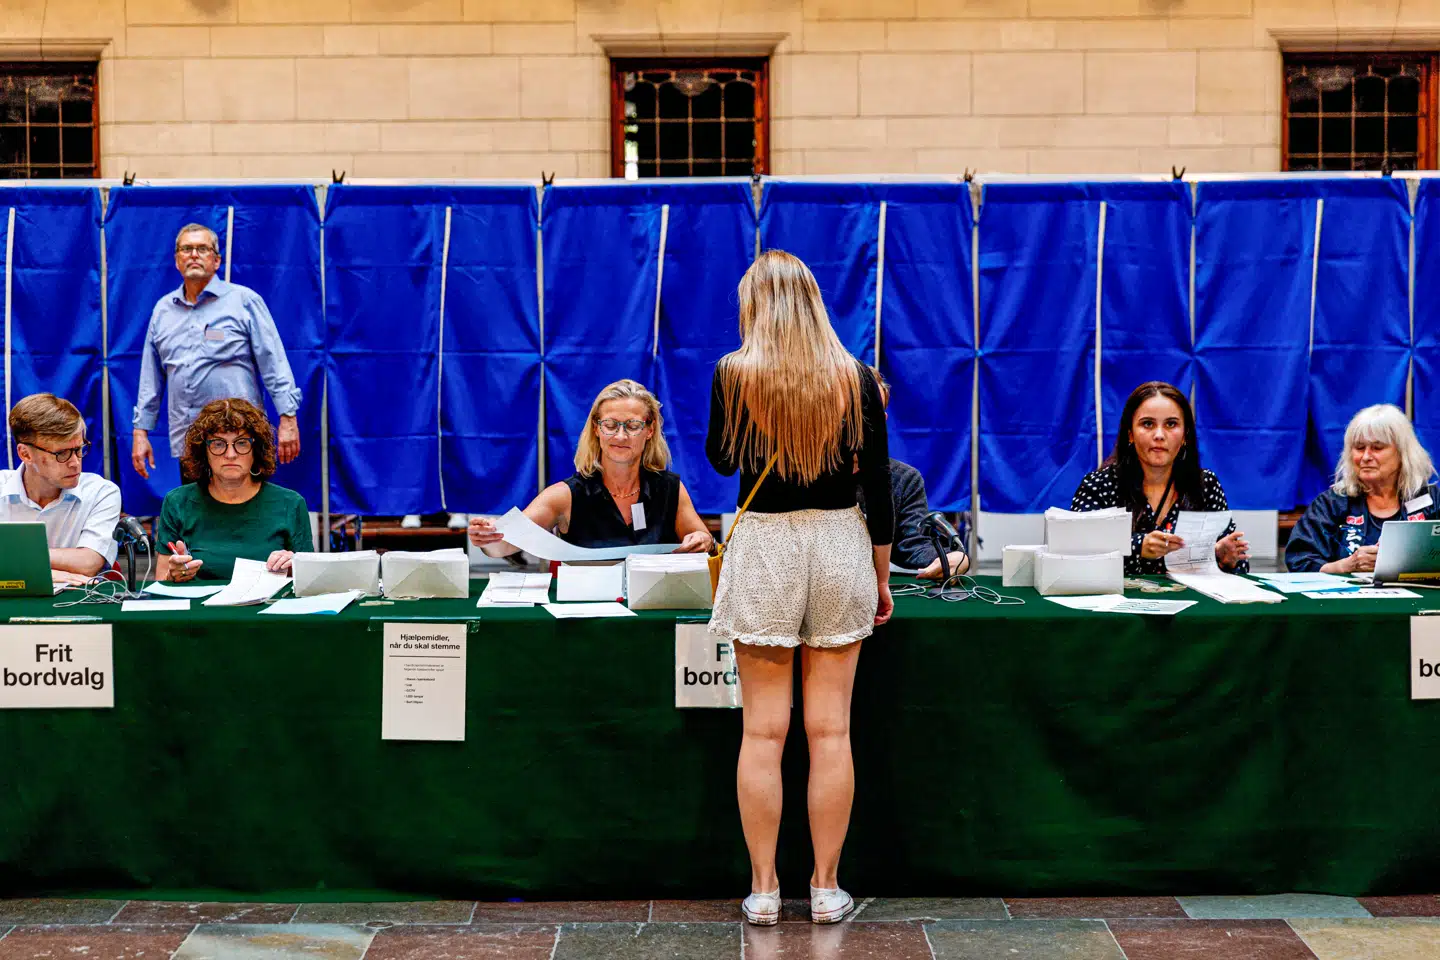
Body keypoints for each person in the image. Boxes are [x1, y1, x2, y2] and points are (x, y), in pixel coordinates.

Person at [705, 250, 893, 927]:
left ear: (754, 306)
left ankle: (763, 890)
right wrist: (881, 575)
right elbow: (878, 485)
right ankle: (825, 887)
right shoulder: (856, 378)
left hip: (766, 544)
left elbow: (721, 459)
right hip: (840, 541)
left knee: (762, 732)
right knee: (831, 729)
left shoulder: (733, 373)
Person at [132, 223, 302, 480]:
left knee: (245, 506)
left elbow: (274, 363)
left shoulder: (243, 301)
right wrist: (140, 431)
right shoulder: (163, 311)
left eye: (202, 249)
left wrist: (288, 419)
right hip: (191, 443)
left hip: (240, 441)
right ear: (177, 260)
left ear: (216, 260)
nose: (194, 255)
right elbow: (150, 378)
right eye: (186, 249)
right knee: (196, 506)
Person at [468, 379, 712, 556]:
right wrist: (487, 537)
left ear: (650, 430)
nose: (621, 436)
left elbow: (705, 541)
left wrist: (703, 540)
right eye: (610, 425)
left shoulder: (670, 489)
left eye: (632, 426)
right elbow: (505, 545)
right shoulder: (564, 495)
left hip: (656, 606)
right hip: (587, 609)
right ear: (596, 428)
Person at [1071, 381, 1249, 576]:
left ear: (1185, 436)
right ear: (1130, 434)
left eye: (1171, 424)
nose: (1159, 435)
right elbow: (1076, 549)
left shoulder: (1205, 484)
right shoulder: (1098, 485)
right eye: (1148, 424)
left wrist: (1225, 560)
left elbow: (1240, 565)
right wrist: (1138, 546)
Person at [155, 398, 312, 582]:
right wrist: (173, 576)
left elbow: (310, 583)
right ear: (204, 451)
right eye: (218, 444)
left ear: (256, 450)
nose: (230, 454)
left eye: (242, 443)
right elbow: (161, 582)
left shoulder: (291, 503)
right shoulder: (177, 502)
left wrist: (293, 568)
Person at [1286, 404, 1440, 574]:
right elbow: (1299, 561)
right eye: (1359, 448)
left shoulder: (1433, 501)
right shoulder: (1331, 504)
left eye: (1377, 448)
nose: (1366, 457)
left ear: (1403, 453)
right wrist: (1345, 566)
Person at [0, 394, 120, 584]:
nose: (75, 463)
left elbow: (89, 563)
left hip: (77, 600)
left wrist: (13, 560)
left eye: (79, 449)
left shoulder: (101, 492)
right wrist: (48, 574)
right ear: (25, 454)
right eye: (61, 453)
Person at [866, 367, 969, 579]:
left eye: (872, 411)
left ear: (883, 419)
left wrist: (954, 558)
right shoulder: (809, 472)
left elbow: (913, 545)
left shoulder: (903, 479)